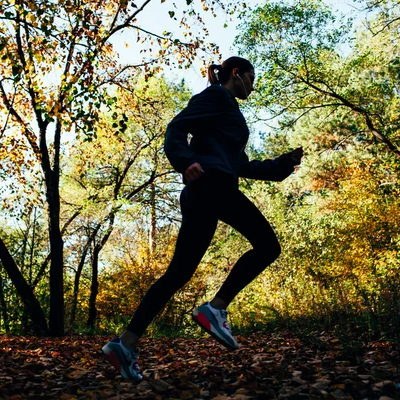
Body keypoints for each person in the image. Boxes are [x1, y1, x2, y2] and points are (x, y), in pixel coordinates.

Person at [102, 56, 303, 381]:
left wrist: (282, 165)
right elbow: (176, 128)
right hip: (211, 185)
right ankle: (217, 307)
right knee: (267, 246)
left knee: (178, 274)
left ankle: (125, 344)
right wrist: (184, 161)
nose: (252, 86)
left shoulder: (228, 113)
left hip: (211, 187)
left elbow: (243, 166)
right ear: (236, 74)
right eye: (251, 78)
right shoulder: (215, 97)